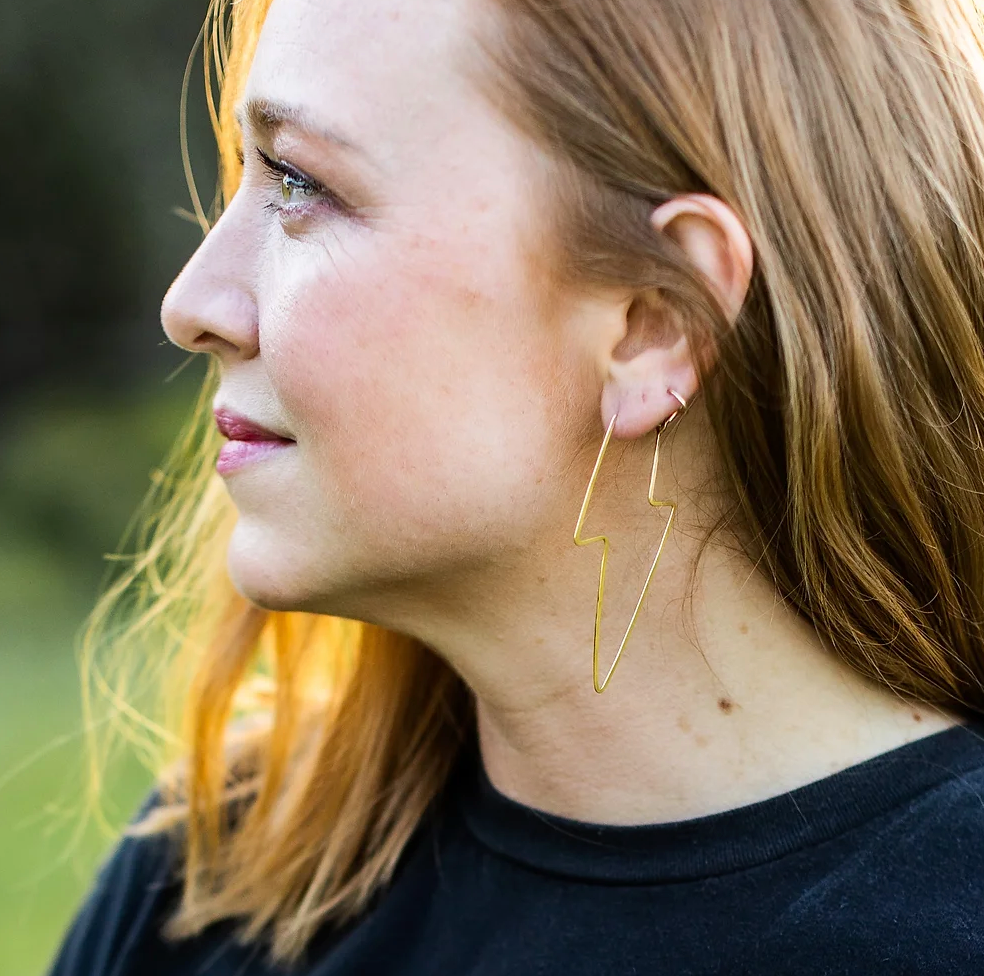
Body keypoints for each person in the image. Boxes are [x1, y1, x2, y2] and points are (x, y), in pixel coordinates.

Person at [45, 0, 984, 971]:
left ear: (655, 323)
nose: (191, 304)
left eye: (300, 181)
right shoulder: (221, 883)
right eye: (248, 171)